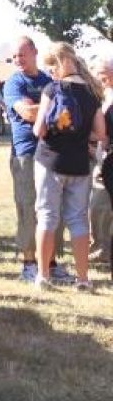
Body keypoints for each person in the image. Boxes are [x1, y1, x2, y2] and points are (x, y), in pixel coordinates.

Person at [32, 42, 105, 292]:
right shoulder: (93, 93)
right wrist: (82, 138)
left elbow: (39, 129)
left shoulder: (52, 89)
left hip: (50, 161)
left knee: (47, 217)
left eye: (50, 67)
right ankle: (83, 278)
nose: (50, 72)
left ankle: (42, 275)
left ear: (59, 63)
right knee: (78, 220)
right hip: (79, 165)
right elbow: (101, 133)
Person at [3, 35, 72, 284]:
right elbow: (27, 113)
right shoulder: (13, 84)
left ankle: (50, 263)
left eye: (22, 54)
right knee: (27, 208)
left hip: (52, 153)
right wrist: (48, 110)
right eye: (14, 56)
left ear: (34, 52)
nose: (18, 60)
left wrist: (41, 110)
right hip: (26, 154)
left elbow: (67, 113)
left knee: (53, 209)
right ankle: (29, 263)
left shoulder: (48, 80)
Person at [89, 54, 113, 269]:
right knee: (98, 206)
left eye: (104, 73)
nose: (100, 77)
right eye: (98, 73)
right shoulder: (98, 96)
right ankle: (100, 249)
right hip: (102, 157)